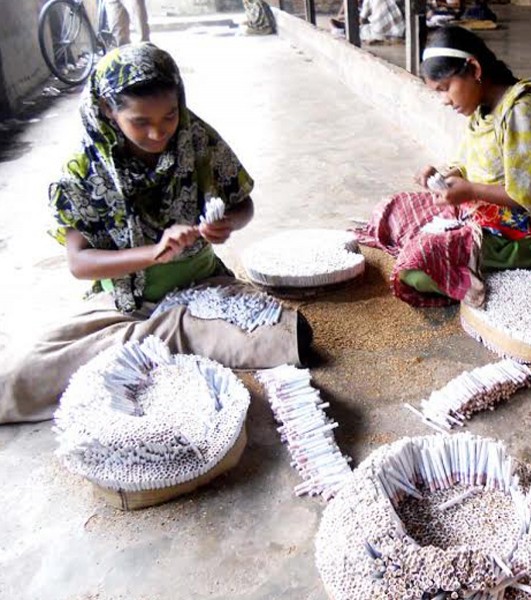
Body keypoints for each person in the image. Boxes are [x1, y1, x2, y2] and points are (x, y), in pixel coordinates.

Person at [0, 43, 312, 424]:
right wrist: (153, 252)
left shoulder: (195, 138)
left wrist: (226, 223)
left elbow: (243, 205)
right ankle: (162, 340)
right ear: (107, 111)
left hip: (203, 291)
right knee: (20, 376)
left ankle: (157, 344)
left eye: (169, 116)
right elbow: (80, 264)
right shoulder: (81, 170)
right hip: (125, 306)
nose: (158, 132)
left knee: (295, 336)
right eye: (140, 122)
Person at [356, 26, 531, 306]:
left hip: (521, 236)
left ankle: (495, 273)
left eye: (445, 88)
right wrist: (445, 177)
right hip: (479, 213)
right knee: (395, 208)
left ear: (473, 69)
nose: (444, 100)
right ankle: (466, 262)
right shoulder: (484, 111)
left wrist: (471, 190)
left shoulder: (523, 112)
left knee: (416, 268)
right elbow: (469, 163)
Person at [330, 0, 405, 43]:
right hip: (401, 29)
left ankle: (342, 31)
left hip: (382, 32)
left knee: (361, 30)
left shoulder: (367, 1)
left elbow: (361, 21)